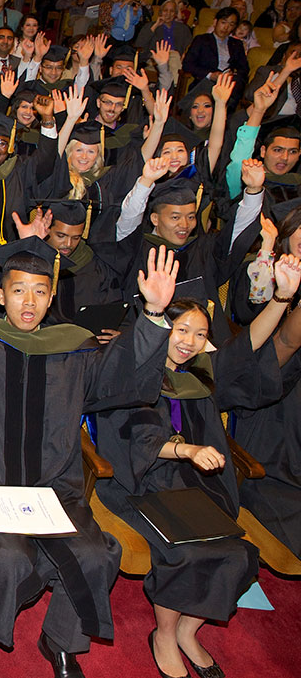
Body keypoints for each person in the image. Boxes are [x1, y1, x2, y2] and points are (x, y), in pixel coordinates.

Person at [0, 217, 179, 678]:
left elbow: (123, 376)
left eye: (38, 291)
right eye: (17, 291)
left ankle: (61, 642)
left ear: (51, 297)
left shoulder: (74, 350)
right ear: (0, 295)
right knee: (8, 558)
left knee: (98, 552)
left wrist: (153, 317)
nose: (28, 301)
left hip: (55, 491)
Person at [96, 267, 301, 678]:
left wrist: (281, 298)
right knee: (186, 551)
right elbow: (135, 437)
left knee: (239, 553)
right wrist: (185, 448)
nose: (189, 341)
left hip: (195, 488)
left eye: (198, 333)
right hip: (142, 486)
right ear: (162, 330)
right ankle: (165, 634)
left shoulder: (201, 375)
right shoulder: (133, 374)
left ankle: (190, 630)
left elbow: (248, 348)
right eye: (180, 330)